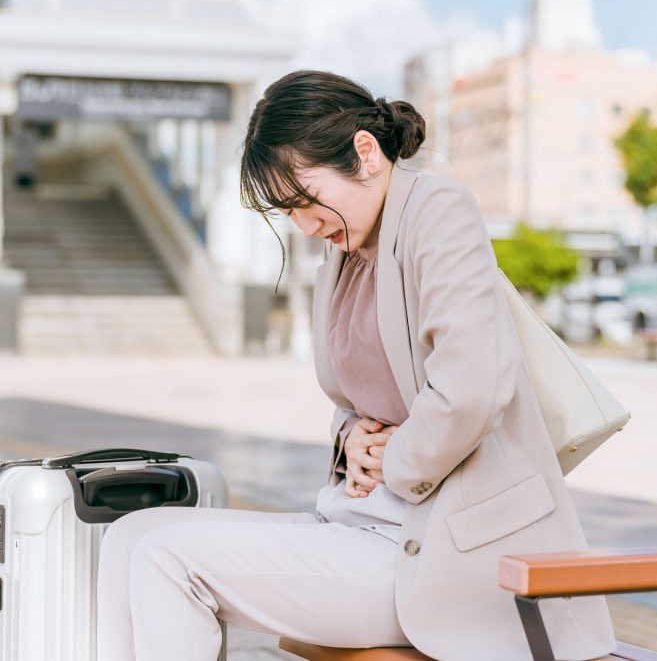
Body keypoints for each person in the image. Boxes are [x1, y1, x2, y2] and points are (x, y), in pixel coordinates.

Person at [95, 70, 615, 661]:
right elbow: (356, 399)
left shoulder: (437, 211)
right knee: (133, 535)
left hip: (444, 557)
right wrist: (352, 440)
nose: (303, 224)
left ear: (364, 153)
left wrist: (394, 460)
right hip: (361, 527)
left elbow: (471, 388)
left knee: (169, 558)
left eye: (305, 200)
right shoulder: (344, 253)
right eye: (286, 210)